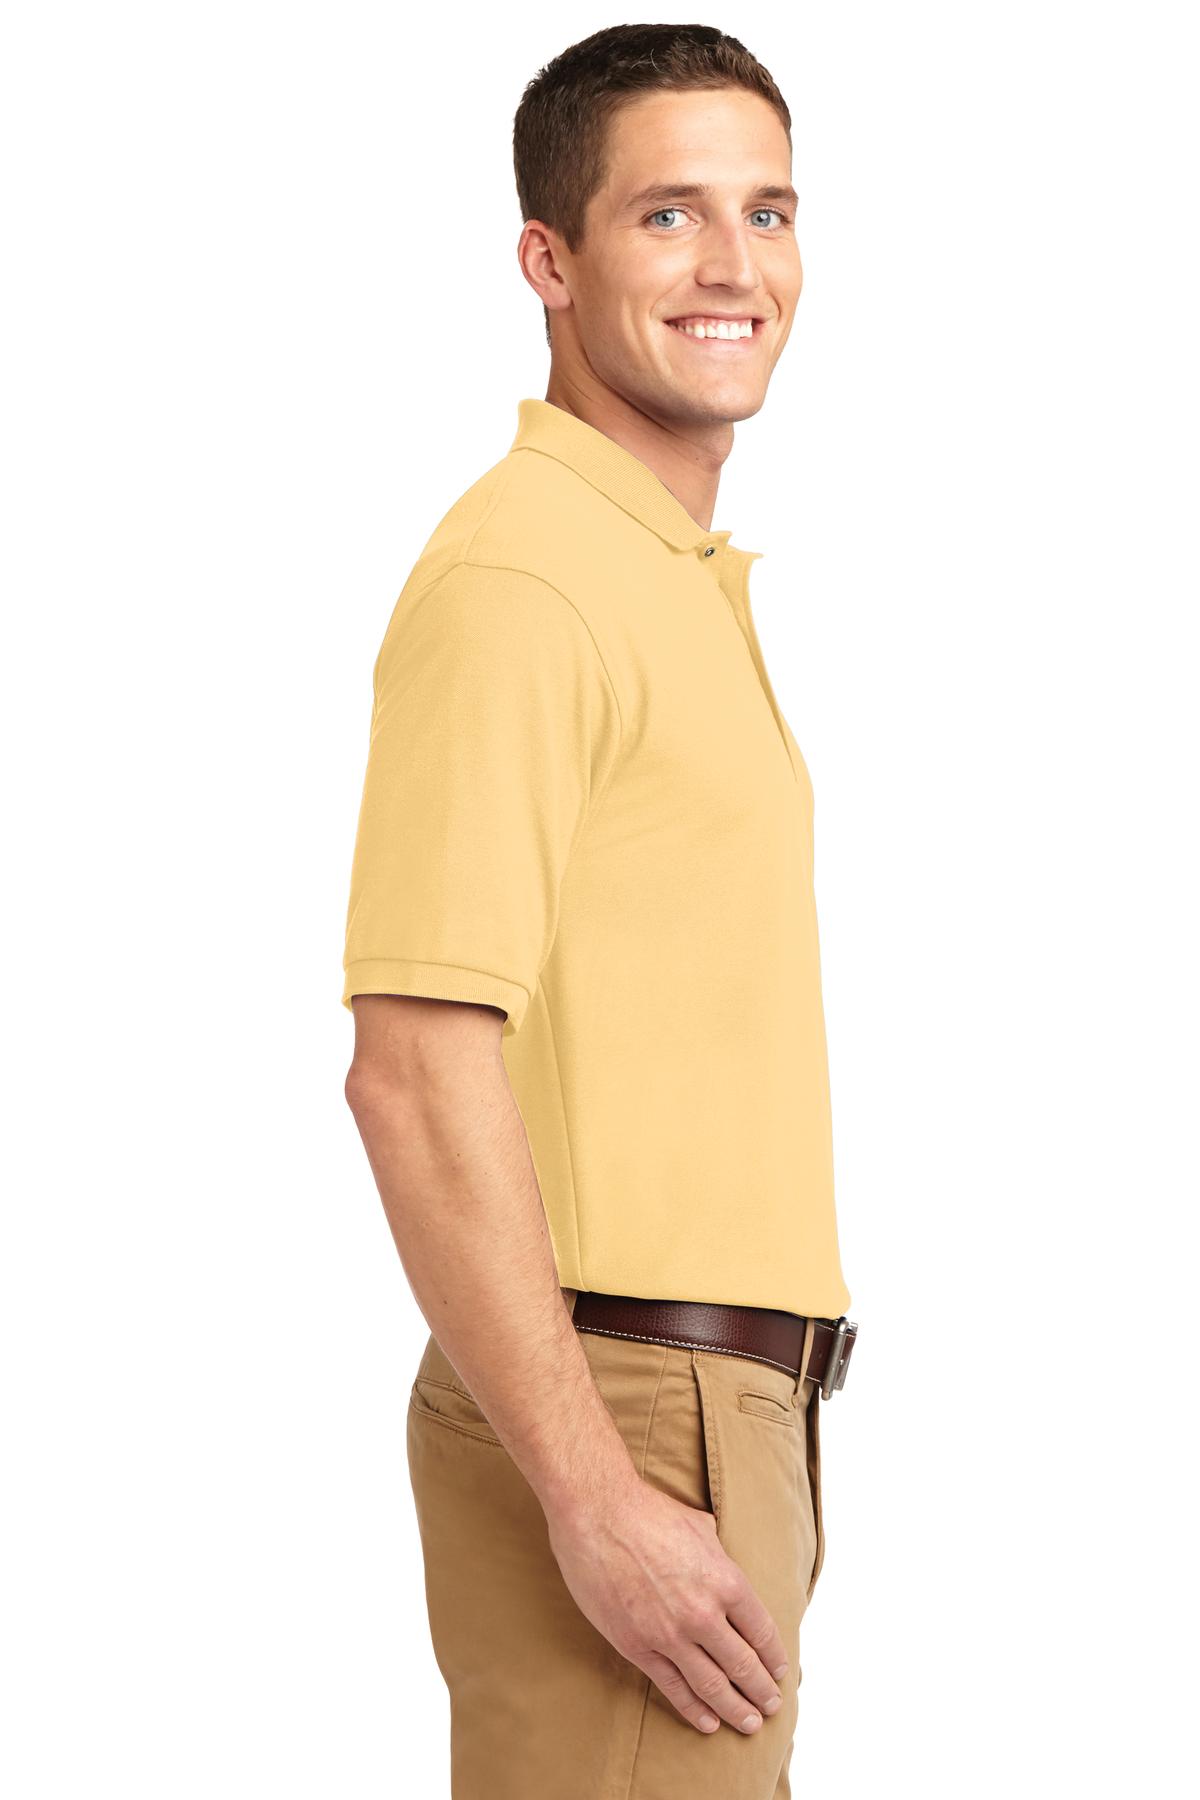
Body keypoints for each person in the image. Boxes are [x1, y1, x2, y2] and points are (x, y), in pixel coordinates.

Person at [341, 23, 857, 1799]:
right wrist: (593, 1490)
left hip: (704, 1407)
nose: (734, 266)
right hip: (628, 1406)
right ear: (549, 261)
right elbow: (412, 1070)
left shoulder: (649, 569)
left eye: (768, 210)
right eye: (668, 215)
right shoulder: (528, 579)